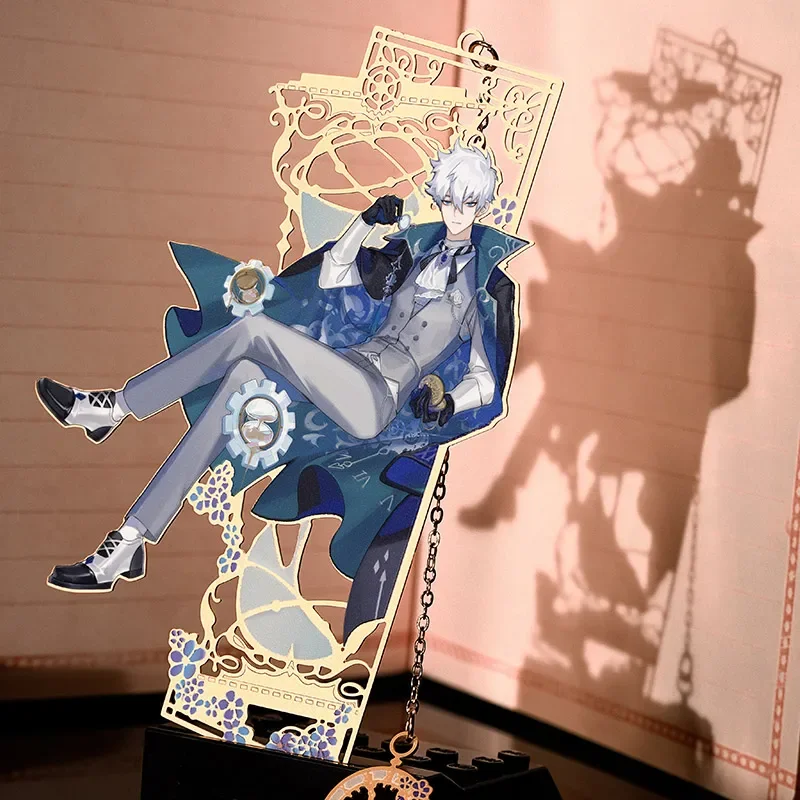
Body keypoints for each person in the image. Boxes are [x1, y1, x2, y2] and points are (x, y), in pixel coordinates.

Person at [36, 142, 526, 601]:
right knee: (240, 384)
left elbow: (485, 382)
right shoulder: (413, 256)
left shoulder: (483, 287)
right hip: (342, 371)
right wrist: (363, 224)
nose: (455, 211)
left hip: (375, 398)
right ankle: (131, 540)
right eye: (447, 199)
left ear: (481, 205)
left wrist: (450, 401)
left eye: (467, 203)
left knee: (254, 331)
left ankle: (116, 407)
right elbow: (334, 274)